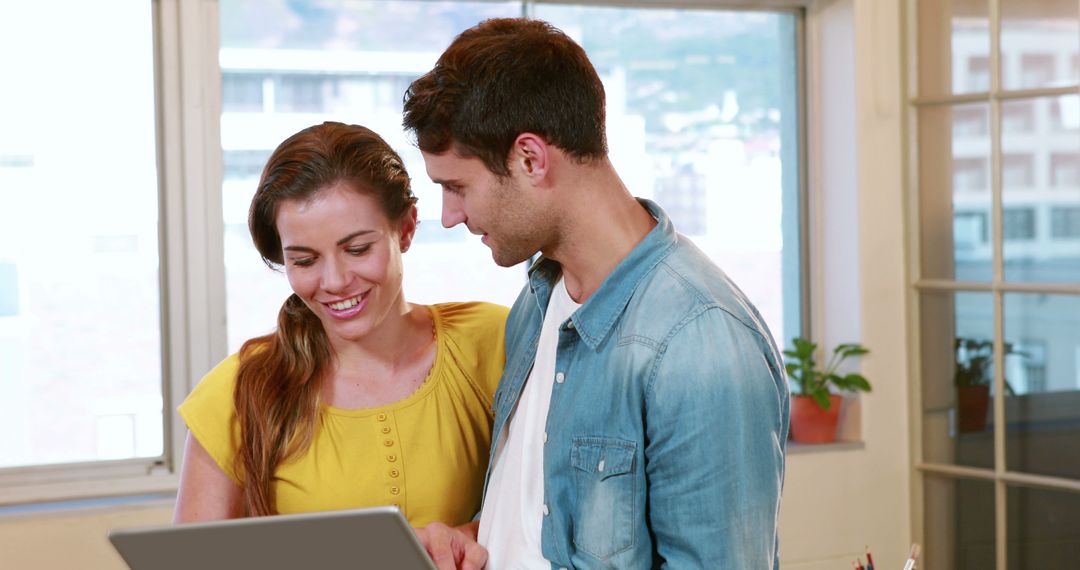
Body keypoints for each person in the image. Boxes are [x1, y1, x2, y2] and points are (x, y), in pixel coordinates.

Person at [403, 17, 790, 569]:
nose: (449, 216)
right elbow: (545, 521)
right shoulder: (538, 302)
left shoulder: (700, 341)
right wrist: (476, 534)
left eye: (457, 187)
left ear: (531, 159)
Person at [173, 121, 503, 569]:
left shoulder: (491, 342)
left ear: (406, 229)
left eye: (357, 249)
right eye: (304, 260)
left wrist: (469, 535)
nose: (333, 282)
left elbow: (554, 507)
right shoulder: (237, 390)